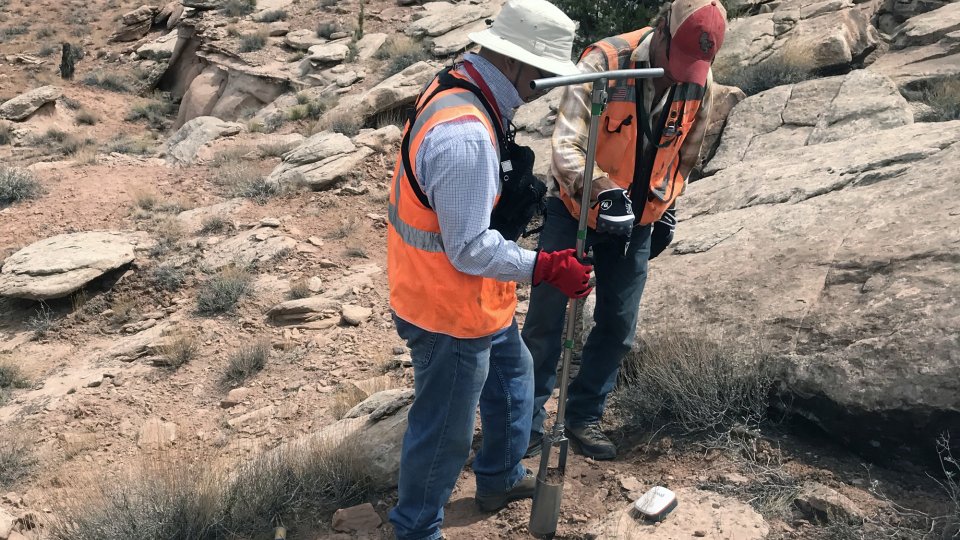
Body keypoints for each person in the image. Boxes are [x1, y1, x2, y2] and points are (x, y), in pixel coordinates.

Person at [385, 1, 594, 538]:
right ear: (522, 65)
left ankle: (499, 476)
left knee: (513, 379)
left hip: (477, 299)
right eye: (547, 73)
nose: (549, 86)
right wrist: (545, 266)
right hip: (447, 308)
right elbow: (470, 249)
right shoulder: (467, 135)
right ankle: (415, 529)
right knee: (444, 435)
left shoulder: (463, 84)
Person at [522, 0, 727, 461]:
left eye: (690, 69)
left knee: (618, 324)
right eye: (675, 63)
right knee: (546, 322)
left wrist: (664, 204)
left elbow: (685, 155)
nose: (679, 77)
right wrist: (602, 191)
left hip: (637, 222)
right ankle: (527, 421)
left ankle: (583, 414)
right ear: (662, 32)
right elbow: (567, 144)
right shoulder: (603, 63)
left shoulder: (699, 81)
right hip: (575, 209)